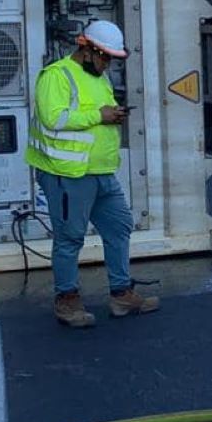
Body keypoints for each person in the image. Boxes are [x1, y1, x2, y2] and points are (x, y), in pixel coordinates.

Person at [26, 19, 159, 328]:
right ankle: (67, 300)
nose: (107, 63)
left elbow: (97, 115)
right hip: (67, 173)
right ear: (85, 49)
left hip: (99, 172)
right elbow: (53, 119)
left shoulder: (100, 78)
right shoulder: (56, 76)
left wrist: (112, 115)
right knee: (70, 237)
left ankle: (121, 294)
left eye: (111, 57)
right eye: (103, 56)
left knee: (120, 226)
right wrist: (100, 115)